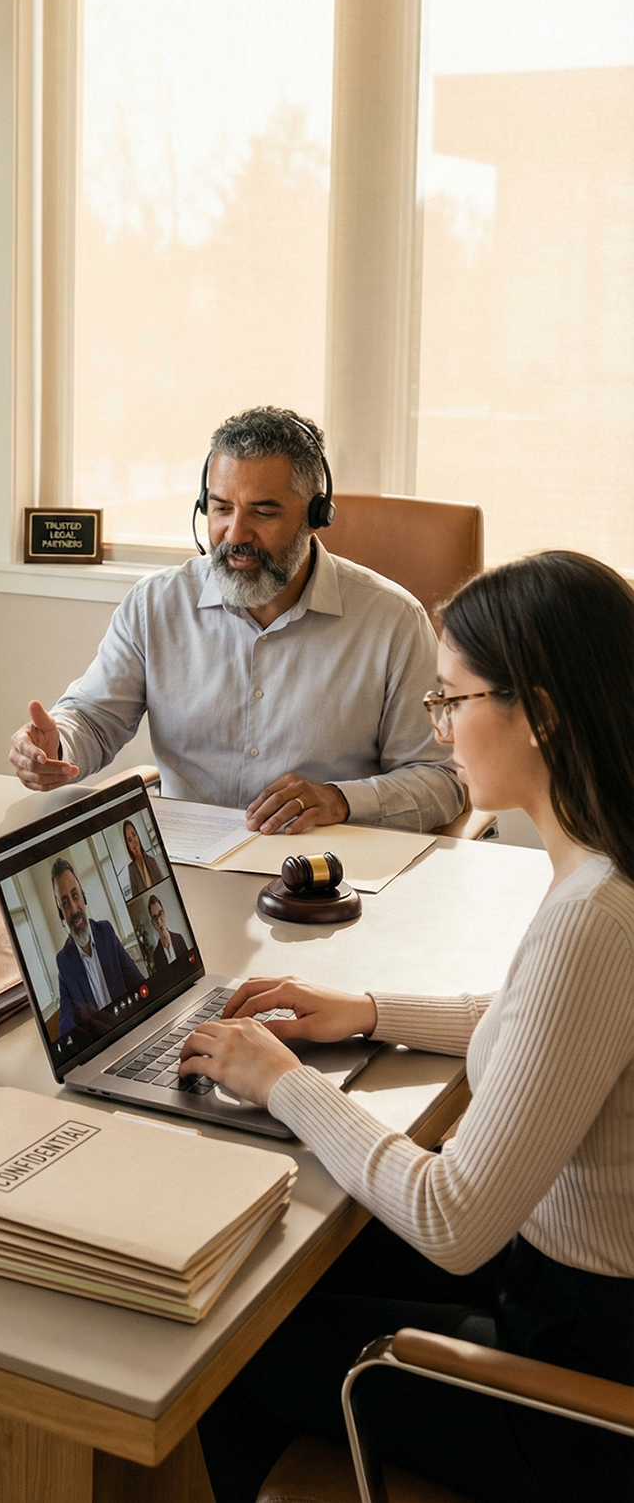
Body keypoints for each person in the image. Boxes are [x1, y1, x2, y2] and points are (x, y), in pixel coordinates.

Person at [178, 551, 634, 1503]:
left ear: (539, 713)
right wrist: (370, 1013)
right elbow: (550, 1033)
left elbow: (451, 1218)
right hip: (570, 1294)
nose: (441, 727)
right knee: (289, 1259)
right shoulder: (603, 864)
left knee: (224, 1357)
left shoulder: (596, 912)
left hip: (577, 1388)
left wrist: (279, 1081)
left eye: (450, 699)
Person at [9, 405, 462, 836]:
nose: (236, 534)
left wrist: (340, 801)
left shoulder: (392, 621)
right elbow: (91, 718)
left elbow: (440, 780)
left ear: (316, 516)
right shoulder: (156, 604)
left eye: (263, 512)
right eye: (222, 508)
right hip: (188, 867)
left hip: (324, 873)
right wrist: (56, 746)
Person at [51, 856, 145, 1036]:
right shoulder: (64, 960)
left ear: (83, 896)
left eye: (75, 895)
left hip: (130, 1029)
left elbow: (137, 981)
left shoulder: (106, 933)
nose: (73, 909)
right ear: (61, 913)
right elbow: (66, 1022)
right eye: (64, 902)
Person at [146, 894, 189, 976]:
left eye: (160, 914)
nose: (159, 921)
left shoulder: (179, 939)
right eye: (155, 918)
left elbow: (190, 967)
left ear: (164, 914)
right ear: (153, 923)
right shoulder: (156, 955)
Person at [123, 818, 164, 894]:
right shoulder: (131, 869)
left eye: (134, 835)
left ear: (138, 836)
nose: (134, 841)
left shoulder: (152, 860)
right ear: (128, 846)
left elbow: (163, 887)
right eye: (129, 840)